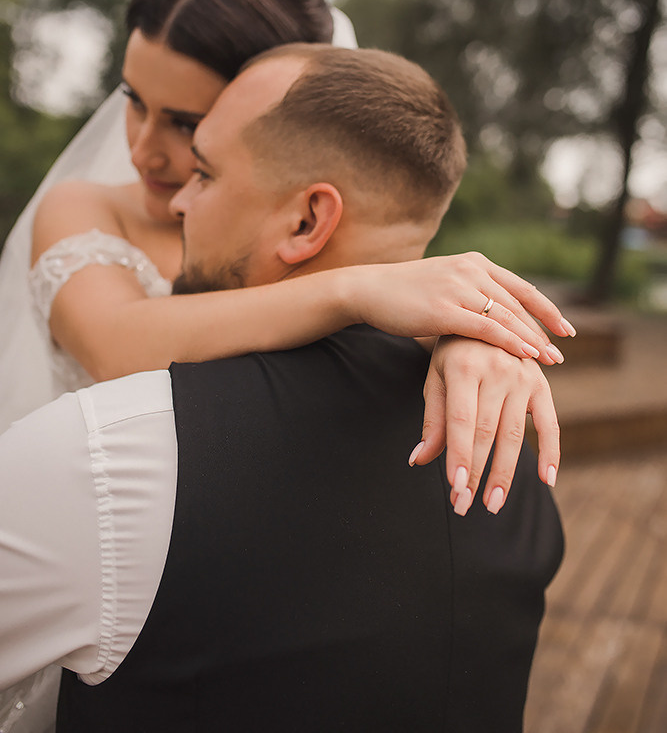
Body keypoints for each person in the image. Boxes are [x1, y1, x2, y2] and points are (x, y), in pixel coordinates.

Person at [0, 45, 563, 732]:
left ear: (305, 222)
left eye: (203, 172)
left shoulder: (104, 458)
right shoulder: (520, 473)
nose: (176, 200)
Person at [0, 0, 572, 482]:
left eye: (184, 123)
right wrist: (354, 291)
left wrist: (465, 336)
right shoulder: (81, 209)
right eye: (134, 102)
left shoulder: (309, 235)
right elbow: (113, 346)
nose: (141, 150)